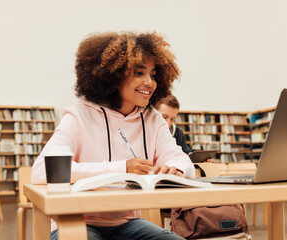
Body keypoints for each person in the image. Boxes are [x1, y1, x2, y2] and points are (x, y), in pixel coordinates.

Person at [31, 31, 195, 240]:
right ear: (113, 76)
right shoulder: (79, 115)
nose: (150, 83)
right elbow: (41, 171)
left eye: (153, 75)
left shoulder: (153, 118)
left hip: (127, 224)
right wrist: (122, 168)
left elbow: (180, 158)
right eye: (139, 73)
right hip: (74, 220)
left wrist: (176, 168)